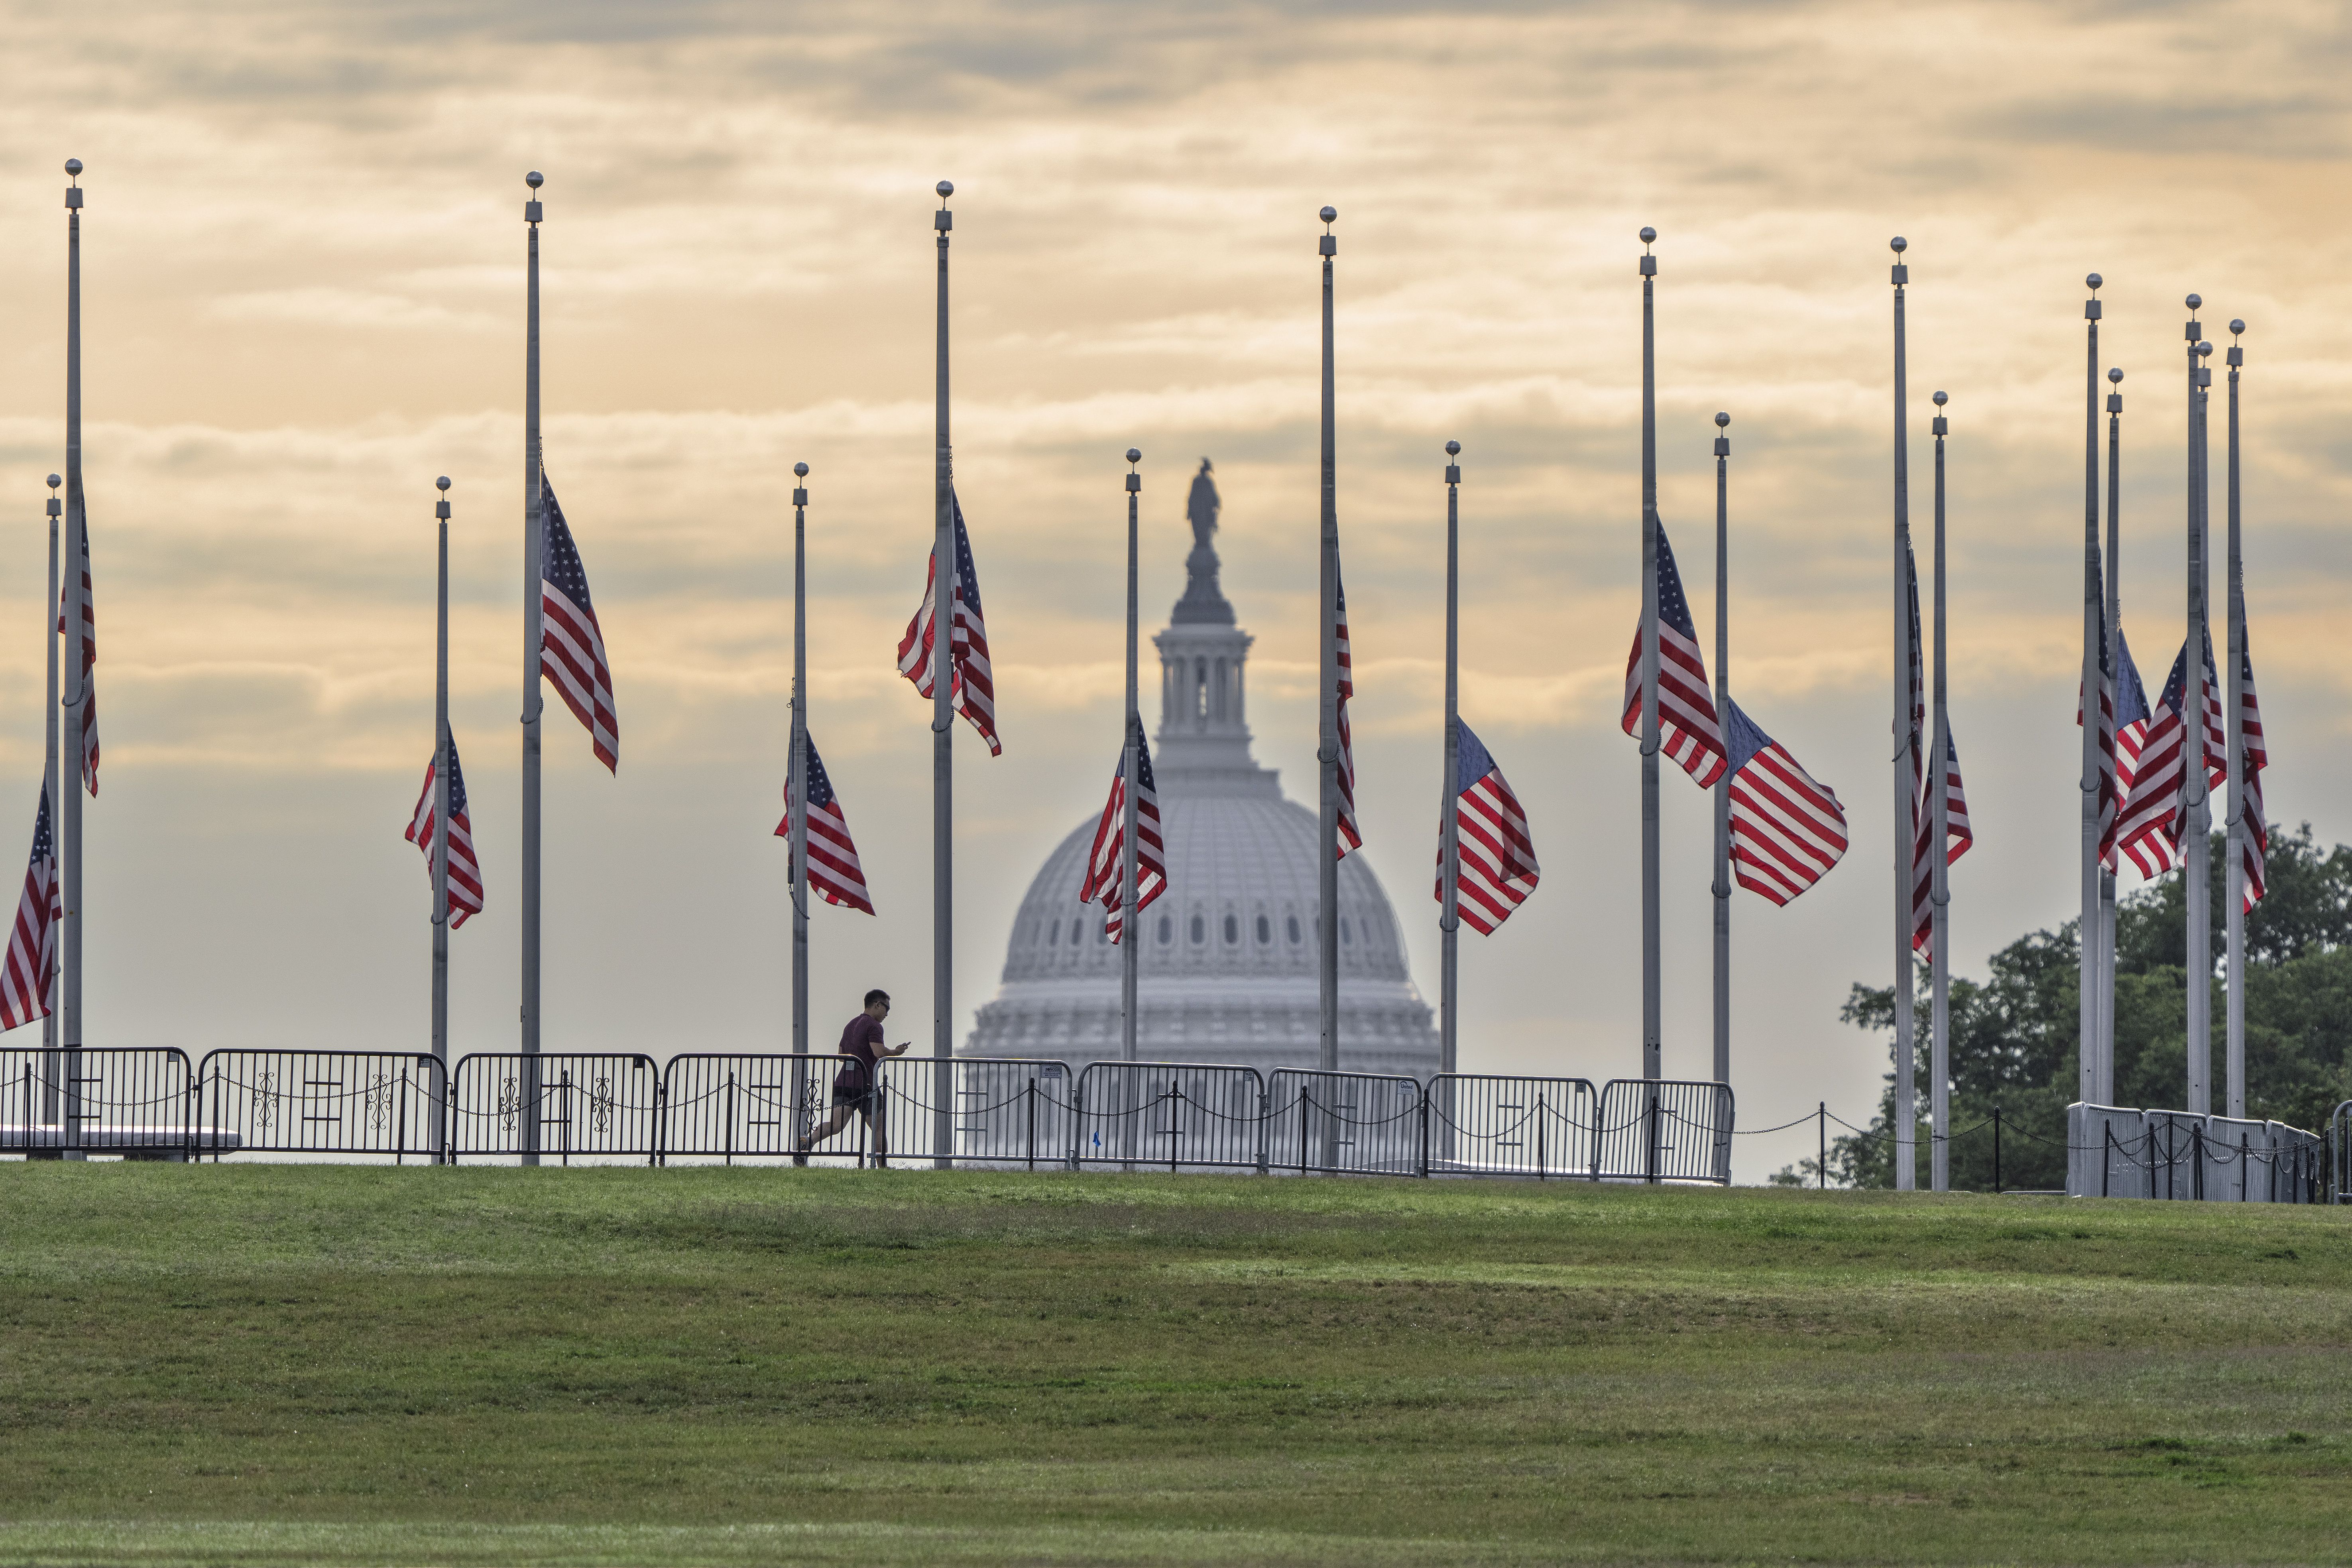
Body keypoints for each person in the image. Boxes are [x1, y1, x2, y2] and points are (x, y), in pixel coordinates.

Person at [797, 989, 909, 1164]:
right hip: (866, 1086)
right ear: (877, 1005)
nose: (887, 1014)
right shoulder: (874, 1026)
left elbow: (841, 1055)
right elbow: (879, 1052)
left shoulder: (851, 1025)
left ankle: (809, 1141)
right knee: (878, 1129)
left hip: (844, 1083)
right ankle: (883, 1168)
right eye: (887, 1008)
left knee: (835, 1126)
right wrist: (896, 1051)